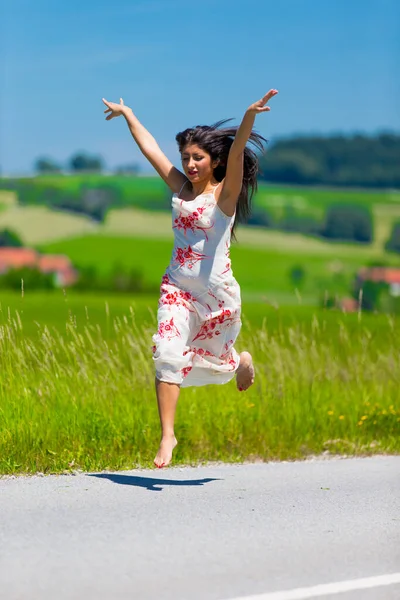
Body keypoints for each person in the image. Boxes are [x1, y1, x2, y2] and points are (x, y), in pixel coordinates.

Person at [102, 89, 278, 468]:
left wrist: (248, 118)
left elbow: (236, 152)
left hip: (215, 296)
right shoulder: (182, 189)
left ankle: (239, 362)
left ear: (213, 161)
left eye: (197, 157)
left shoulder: (224, 197)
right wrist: (129, 114)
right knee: (166, 354)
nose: (190, 164)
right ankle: (168, 435)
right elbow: (151, 151)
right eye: (186, 158)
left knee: (215, 365)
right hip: (177, 289)